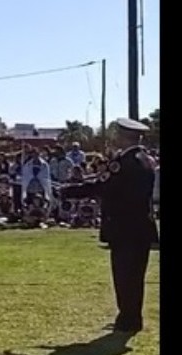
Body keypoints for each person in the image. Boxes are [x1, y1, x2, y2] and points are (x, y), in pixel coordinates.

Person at [61, 118, 158, 333]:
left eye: (118, 134)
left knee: (124, 276)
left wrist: (70, 190)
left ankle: (127, 320)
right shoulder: (146, 159)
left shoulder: (123, 163)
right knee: (136, 276)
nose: (115, 138)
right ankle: (133, 318)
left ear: (124, 137)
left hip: (124, 227)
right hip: (141, 226)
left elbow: (103, 186)